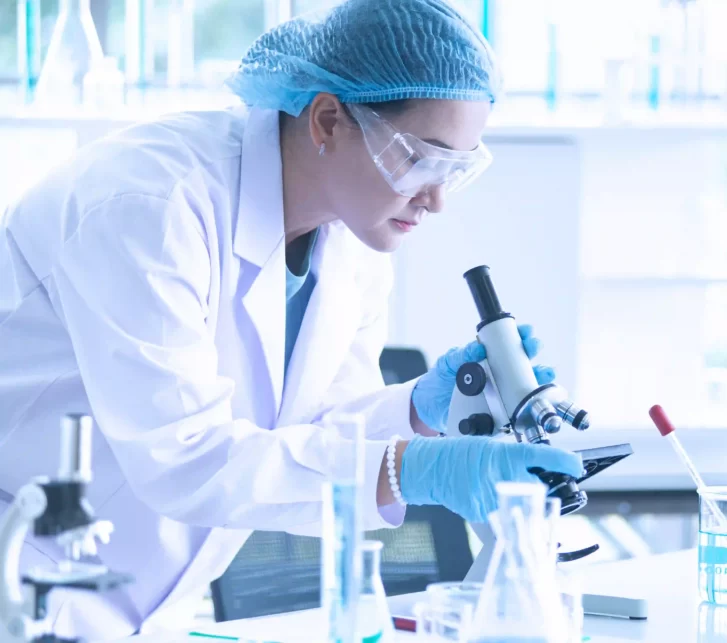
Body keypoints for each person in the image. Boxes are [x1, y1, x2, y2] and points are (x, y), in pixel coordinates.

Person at [0, 0, 583, 638]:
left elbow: (313, 433)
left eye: (456, 169)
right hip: (24, 568)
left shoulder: (354, 239)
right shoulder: (151, 206)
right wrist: (416, 467)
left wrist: (419, 408)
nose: (437, 199)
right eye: (422, 158)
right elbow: (187, 458)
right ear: (328, 120)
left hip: (134, 599)